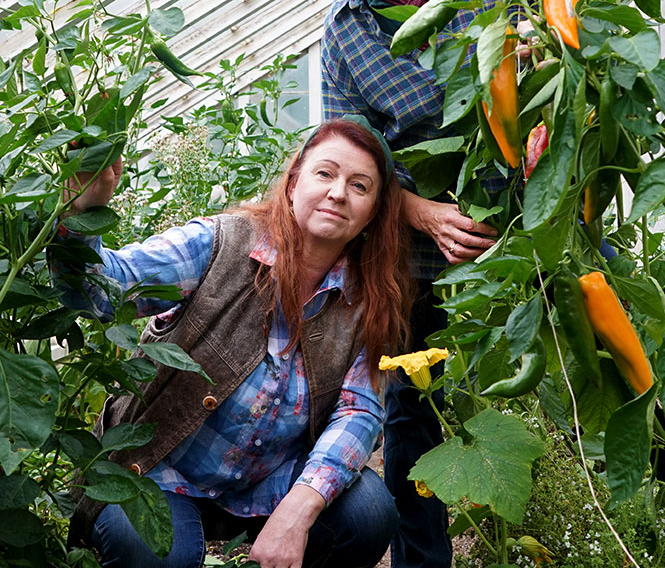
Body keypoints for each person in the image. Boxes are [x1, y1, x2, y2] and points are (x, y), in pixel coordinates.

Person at [289, 0, 540, 568]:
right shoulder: (345, 36)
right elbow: (351, 162)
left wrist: (553, 106)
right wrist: (424, 213)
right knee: (413, 412)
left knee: (629, 368)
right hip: (428, 250)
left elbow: (585, 37)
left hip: (544, 221)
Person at [49, 116, 412, 568]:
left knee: (368, 512)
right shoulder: (220, 244)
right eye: (325, 173)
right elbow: (103, 292)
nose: (338, 193)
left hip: (268, 481)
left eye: (359, 186)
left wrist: (299, 510)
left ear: (372, 212)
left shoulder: (369, 300)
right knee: (160, 556)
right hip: (157, 471)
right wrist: (80, 214)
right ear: (293, 183)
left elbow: (359, 411)